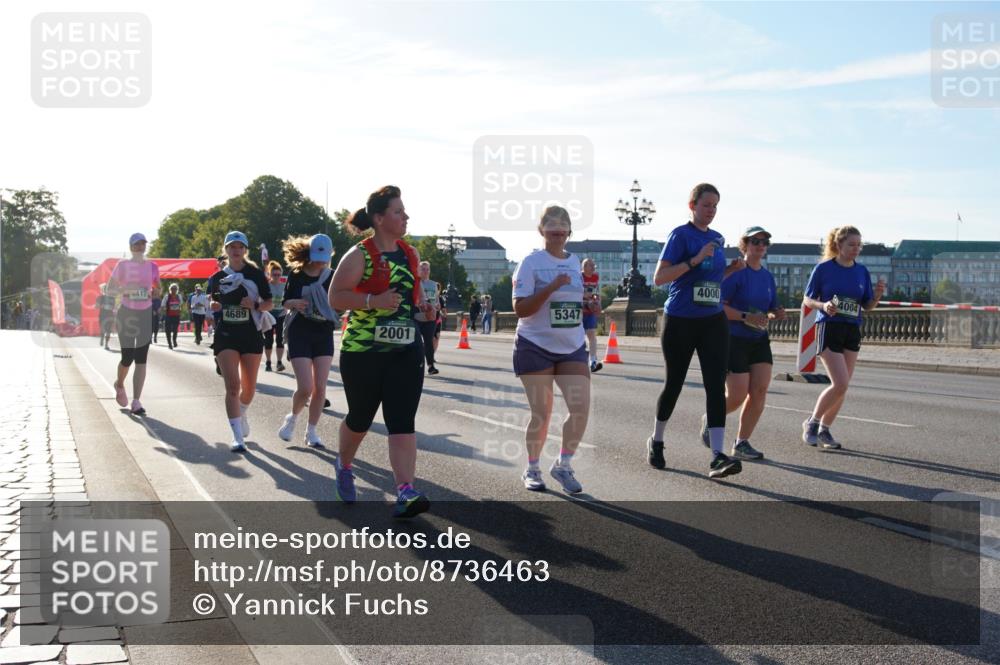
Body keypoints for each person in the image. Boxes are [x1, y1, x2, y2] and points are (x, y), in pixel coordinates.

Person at [329, 185, 434, 519]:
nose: (406, 217)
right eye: (398, 211)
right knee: (360, 417)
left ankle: (405, 490)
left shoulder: (410, 254)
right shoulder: (359, 255)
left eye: (404, 211)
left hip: (406, 349)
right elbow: (335, 297)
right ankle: (344, 464)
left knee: (402, 419)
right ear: (378, 218)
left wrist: (425, 309)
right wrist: (373, 301)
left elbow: (413, 298)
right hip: (364, 349)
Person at [647, 183, 747, 479]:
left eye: (715, 206)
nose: (711, 211)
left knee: (715, 386)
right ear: (692, 206)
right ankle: (657, 440)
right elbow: (660, 278)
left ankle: (717, 455)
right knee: (674, 384)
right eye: (706, 205)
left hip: (713, 320)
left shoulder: (717, 239)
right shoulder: (680, 235)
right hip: (680, 319)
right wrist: (695, 258)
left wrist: (730, 270)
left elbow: (709, 280)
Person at [512, 206, 597, 494]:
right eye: (552, 224)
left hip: (571, 346)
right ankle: (532, 468)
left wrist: (587, 305)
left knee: (581, 409)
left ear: (570, 231)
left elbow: (568, 304)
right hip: (535, 345)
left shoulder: (574, 262)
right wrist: (550, 287)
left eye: (564, 225)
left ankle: (563, 464)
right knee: (542, 412)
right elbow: (521, 309)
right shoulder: (530, 263)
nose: (558, 229)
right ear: (542, 230)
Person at [700, 226, 785, 460]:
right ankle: (712, 417)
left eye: (764, 242)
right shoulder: (736, 272)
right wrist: (746, 316)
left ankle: (741, 443)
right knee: (737, 396)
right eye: (755, 241)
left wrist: (777, 312)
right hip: (733, 339)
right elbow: (718, 305)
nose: (760, 246)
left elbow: (771, 307)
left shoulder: (767, 277)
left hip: (758, 339)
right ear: (744, 245)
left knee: (759, 390)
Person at [801, 225, 885, 450]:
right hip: (829, 327)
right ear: (839, 245)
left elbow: (867, 306)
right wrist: (823, 305)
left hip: (852, 329)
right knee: (840, 383)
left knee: (842, 387)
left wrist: (876, 296)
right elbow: (808, 299)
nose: (856, 249)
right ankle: (812, 422)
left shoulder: (862, 271)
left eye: (859, 245)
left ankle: (825, 430)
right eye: (851, 245)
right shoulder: (824, 269)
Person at [208, 231, 273, 452]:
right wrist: (214, 305)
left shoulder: (255, 274)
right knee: (233, 386)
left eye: (239, 247)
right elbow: (213, 300)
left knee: (249, 389)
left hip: (250, 334)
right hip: (226, 334)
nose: (235, 250)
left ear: (245, 250)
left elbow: (269, 303)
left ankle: (242, 412)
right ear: (226, 250)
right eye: (231, 247)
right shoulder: (217, 277)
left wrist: (254, 305)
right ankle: (237, 437)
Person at [277, 235, 337, 448]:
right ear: (310, 254)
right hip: (300, 332)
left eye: (325, 258)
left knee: (320, 387)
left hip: (323, 332)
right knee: (305, 387)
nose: (321, 262)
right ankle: (292, 418)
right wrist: (293, 302)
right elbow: (285, 302)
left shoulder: (332, 276)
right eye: (318, 258)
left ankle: (311, 431)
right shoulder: (296, 275)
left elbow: (340, 302)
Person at [106, 233, 160, 415]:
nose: (140, 247)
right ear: (131, 247)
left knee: (141, 357)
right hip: (127, 313)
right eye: (137, 244)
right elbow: (110, 289)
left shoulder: (152, 267)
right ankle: (119, 384)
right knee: (127, 357)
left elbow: (158, 289)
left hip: (145, 314)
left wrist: (155, 292)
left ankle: (136, 401)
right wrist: (126, 290)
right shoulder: (123, 266)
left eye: (143, 244)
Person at [414, 261, 442, 375]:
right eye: (423, 269)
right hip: (417, 317)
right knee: (416, 343)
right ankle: (415, 365)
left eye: (427, 269)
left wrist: (437, 305)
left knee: (429, 342)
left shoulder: (433, 284)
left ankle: (431, 366)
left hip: (430, 318)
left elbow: (436, 299)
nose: (425, 271)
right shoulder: (415, 283)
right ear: (419, 270)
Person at [263, 260, 288, 372]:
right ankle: (268, 362)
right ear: (270, 274)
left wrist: (285, 309)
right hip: (269, 315)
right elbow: (261, 299)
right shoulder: (266, 286)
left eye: (279, 274)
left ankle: (279, 362)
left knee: (280, 339)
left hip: (281, 314)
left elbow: (287, 299)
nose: (277, 277)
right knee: (268, 340)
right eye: (274, 275)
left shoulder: (284, 286)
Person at [581, 257, 602, 372]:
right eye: (591, 265)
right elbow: (575, 291)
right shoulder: (579, 277)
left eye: (594, 265)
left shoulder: (595, 277)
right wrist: (586, 296)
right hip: (579, 310)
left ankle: (593, 361)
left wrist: (598, 303)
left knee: (592, 335)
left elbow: (596, 293)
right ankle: (580, 360)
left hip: (590, 310)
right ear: (584, 267)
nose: (594, 267)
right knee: (579, 337)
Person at [161, 283, 182, 349]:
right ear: (170, 289)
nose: (174, 290)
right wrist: (164, 309)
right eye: (172, 289)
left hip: (176, 315)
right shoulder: (167, 296)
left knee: (175, 329)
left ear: (177, 289)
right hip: (168, 316)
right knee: (168, 330)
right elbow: (162, 305)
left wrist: (179, 310)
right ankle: (169, 343)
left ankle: (174, 340)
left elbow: (181, 304)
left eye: (175, 289)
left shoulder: (179, 296)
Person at [96, 284, 116, 349]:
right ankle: (102, 337)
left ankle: (106, 344)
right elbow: (96, 306)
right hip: (102, 315)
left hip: (110, 316)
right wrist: (101, 306)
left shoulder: (112, 298)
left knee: (108, 330)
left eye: (108, 289)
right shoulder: (100, 297)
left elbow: (114, 307)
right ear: (102, 290)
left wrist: (115, 312)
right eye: (104, 289)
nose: (107, 291)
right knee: (103, 329)